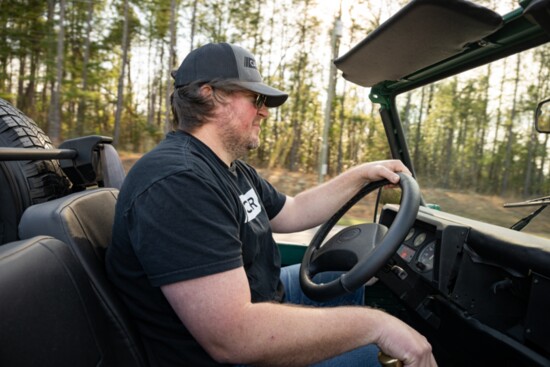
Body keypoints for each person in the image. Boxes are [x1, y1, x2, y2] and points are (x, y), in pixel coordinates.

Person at [106, 42, 436, 367]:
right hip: (222, 351)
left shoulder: (226, 167)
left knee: (336, 275)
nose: (265, 111)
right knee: (385, 354)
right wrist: (375, 325)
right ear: (209, 95)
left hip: (257, 299)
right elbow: (233, 337)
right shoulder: (179, 182)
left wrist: (360, 176)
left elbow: (292, 211)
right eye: (256, 99)